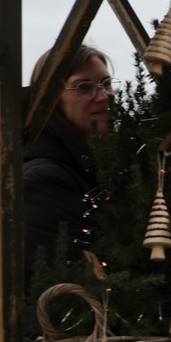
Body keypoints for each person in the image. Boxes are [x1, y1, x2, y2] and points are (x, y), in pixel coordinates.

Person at [24, 44, 112, 291]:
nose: (102, 96)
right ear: (51, 98)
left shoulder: (98, 168)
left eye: (106, 84)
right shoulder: (43, 180)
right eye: (84, 87)